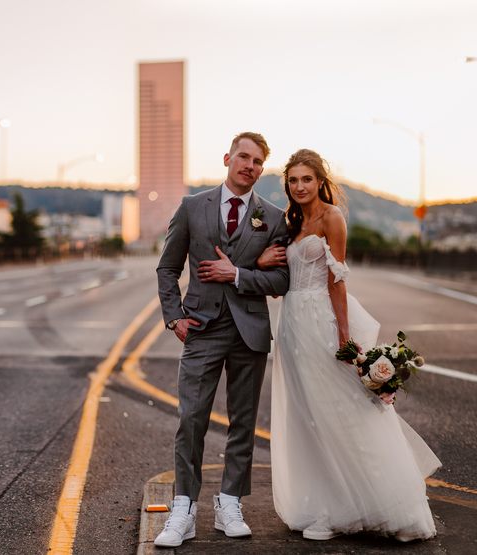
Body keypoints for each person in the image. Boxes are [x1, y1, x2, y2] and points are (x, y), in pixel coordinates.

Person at [263, 148, 441, 541]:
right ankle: (322, 504)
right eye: (293, 181)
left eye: (306, 179)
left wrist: (344, 337)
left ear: (320, 180)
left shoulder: (332, 217)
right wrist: (260, 263)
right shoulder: (292, 222)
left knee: (338, 410)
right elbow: (281, 278)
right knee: (307, 414)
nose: (299, 186)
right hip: (292, 323)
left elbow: (338, 281)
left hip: (320, 322)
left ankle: (363, 507)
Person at [154, 132, 290, 548]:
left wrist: (239, 273)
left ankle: (230, 501)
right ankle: (184, 507)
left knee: (243, 423)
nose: (249, 165)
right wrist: (173, 317)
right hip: (201, 328)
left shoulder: (274, 217)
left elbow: (282, 280)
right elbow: (167, 267)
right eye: (243, 157)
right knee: (191, 419)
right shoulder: (194, 207)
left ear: (262, 169)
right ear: (227, 158)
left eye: (257, 161)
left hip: (249, 331)